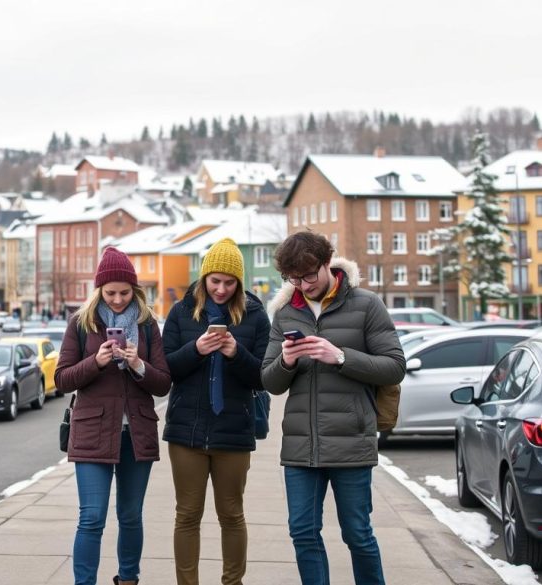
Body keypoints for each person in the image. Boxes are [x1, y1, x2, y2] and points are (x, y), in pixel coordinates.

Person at [260, 232, 405, 585]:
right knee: (303, 534)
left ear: (328, 263)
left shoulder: (366, 304)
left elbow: (394, 365)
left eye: (309, 275)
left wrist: (339, 356)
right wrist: (287, 362)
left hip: (351, 442)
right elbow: (270, 382)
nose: (303, 284)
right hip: (300, 447)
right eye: (294, 278)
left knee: (357, 534)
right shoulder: (285, 313)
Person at [54, 246, 172, 585]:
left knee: (131, 515)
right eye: (110, 293)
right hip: (92, 432)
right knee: (91, 517)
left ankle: (129, 579)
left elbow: (163, 383)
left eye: (124, 292)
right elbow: (62, 379)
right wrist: (97, 361)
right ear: (99, 291)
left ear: (135, 291)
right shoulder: (81, 323)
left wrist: (138, 364)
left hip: (136, 434)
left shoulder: (148, 326)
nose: (118, 299)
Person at [161, 238, 270, 585]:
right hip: (186, 432)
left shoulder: (255, 315)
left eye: (229, 282)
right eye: (215, 280)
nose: (221, 289)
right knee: (187, 516)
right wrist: (196, 348)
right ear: (204, 276)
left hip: (234, 430)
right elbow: (164, 372)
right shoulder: (181, 312)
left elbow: (263, 376)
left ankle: (232, 582)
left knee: (232, 515)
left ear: (239, 282)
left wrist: (235, 352)